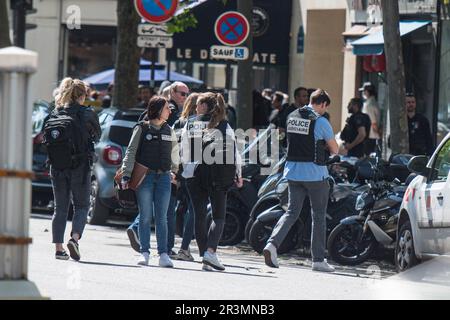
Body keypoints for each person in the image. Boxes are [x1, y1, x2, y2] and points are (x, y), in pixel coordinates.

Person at [263, 89, 338, 273]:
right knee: (318, 216)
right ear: (322, 104)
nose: (323, 110)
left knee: (291, 213)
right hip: (315, 174)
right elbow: (334, 148)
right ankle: (318, 260)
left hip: (293, 173)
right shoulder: (321, 121)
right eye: (324, 107)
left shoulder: (291, 116)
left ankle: (272, 245)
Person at [180, 92, 243, 271]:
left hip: (193, 173)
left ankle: (204, 255)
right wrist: (238, 175)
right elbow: (235, 154)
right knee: (218, 216)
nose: (196, 107)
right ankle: (210, 252)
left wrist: (186, 169)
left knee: (199, 215)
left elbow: (183, 149)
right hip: (217, 173)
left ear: (205, 106)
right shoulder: (224, 125)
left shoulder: (190, 123)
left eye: (199, 104)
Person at [44, 77, 101, 261]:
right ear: (82, 95)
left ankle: (59, 249)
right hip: (80, 166)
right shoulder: (87, 113)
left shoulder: (55, 113)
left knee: (60, 208)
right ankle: (74, 239)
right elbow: (97, 135)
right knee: (82, 205)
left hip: (57, 165)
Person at [121, 96, 180, 267]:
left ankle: (163, 254)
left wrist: (174, 171)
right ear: (158, 109)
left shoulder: (169, 130)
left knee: (162, 218)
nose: (170, 111)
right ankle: (144, 252)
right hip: (144, 178)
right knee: (146, 216)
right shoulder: (142, 128)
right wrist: (126, 174)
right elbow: (130, 152)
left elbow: (175, 153)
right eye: (167, 108)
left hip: (163, 177)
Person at [170, 93, 200, 261]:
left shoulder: (178, 122)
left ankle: (168, 245)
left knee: (174, 208)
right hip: (193, 169)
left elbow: (172, 146)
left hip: (177, 168)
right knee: (193, 210)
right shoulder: (199, 123)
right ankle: (184, 248)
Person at [360, 82, 381, 155]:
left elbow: (373, 122)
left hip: (370, 136)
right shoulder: (375, 102)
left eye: (364, 91)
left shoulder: (369, 105)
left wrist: (379, 136)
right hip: (373, 136)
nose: (363, 93)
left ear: (367, 92)